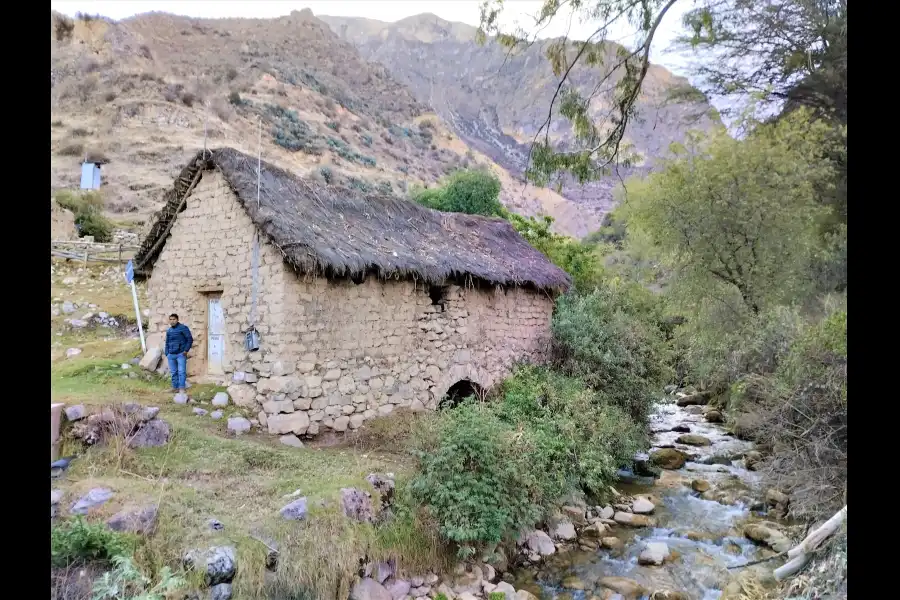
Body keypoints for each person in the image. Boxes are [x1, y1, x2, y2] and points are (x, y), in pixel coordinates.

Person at [165, 313, 193, 394]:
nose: (172, 321)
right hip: (171, 354)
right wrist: (167, 353)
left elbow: (190, 339)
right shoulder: (169, 330)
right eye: (171, 319)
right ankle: (174, 387)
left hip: (181, 354)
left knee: (181, 372)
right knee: (173, 372)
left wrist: (186, 350)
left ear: (177, 320)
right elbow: (167, 342)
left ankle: (181, 388)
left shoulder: (183, 328)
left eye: (174, 319)